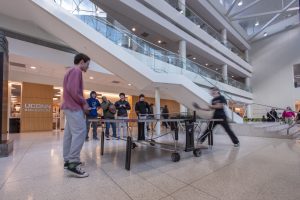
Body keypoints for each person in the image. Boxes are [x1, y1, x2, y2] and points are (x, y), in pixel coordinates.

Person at [61, 53, 90, 178]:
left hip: (68, 106)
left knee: (69, 134)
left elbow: (71, 89)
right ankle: (73, 163)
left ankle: (68, 160)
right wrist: (84, 103)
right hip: (74, 107)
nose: (88, 67)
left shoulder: (69, 71)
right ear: (82, 61)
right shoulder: (76, 71)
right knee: (80, 132)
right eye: (88, 64)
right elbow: (74, 91)